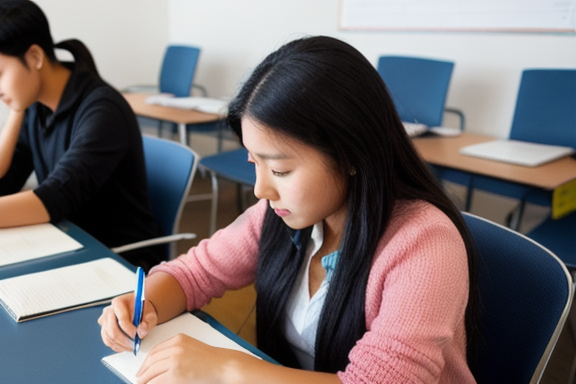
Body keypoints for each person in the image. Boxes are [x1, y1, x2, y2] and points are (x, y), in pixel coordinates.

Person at [99, 35, 480, 384]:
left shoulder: (424, 243)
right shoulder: (282, 214)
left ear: (350, 154)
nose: (261, 190)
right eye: (254, 163)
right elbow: (195, 273)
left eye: (280, 169)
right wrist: (144, 302)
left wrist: (229, 370)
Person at [0, 0, 164, 270]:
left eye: (0, 73)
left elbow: (56, 197)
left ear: (35, 57)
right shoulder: (35, 107)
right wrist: (17, 110)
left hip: (120, 260)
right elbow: (6, 182)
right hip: (69, 241)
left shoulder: (102, 110)